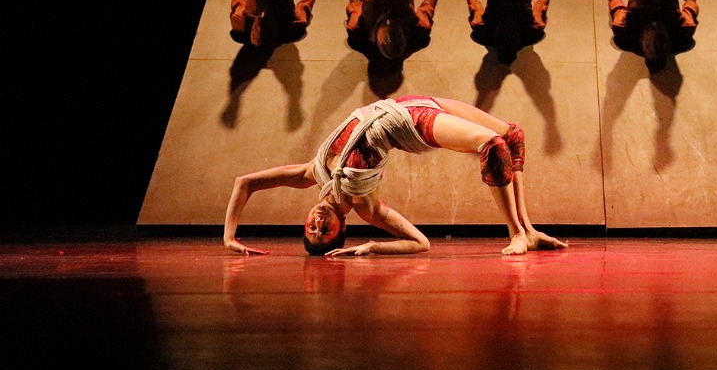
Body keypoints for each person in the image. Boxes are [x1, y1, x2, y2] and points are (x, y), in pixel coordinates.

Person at [223, 93, 569, 256]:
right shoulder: (365, 206)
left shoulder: (311, 173)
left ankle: (529, 230)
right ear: (342, 228)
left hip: (411, 101)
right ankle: (515, 233)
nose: (317, 223)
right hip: (406, 125)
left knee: (513, 136)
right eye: (323, 231)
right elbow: (421, 243)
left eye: (310, 228)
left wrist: (229, 237)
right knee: (492, 145)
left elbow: (245, 183)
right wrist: (373, 247)